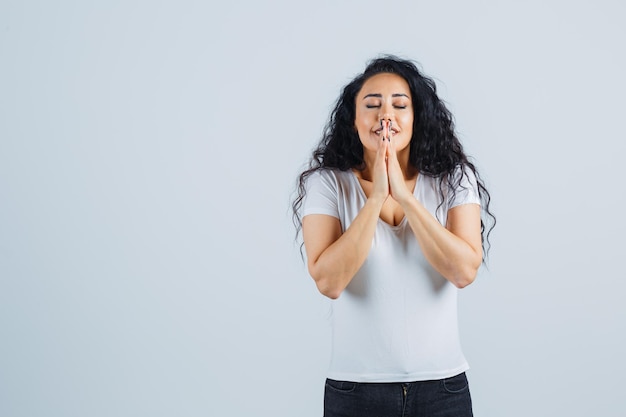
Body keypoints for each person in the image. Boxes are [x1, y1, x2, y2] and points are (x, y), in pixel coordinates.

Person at [292, 55, 495, 417]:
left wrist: (404, 196)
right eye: (372, 105)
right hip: (355, 392)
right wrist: (375, 198)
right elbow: (329, 281)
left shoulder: (454, 179)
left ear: (416, 118)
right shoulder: (326, 184)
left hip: (443, 390)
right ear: (353, 120)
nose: (386, 115)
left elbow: (464, 271)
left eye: (400, 105)